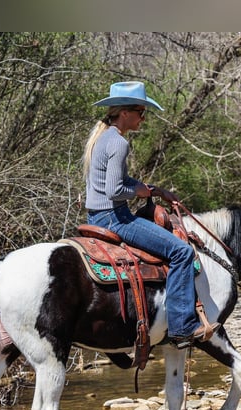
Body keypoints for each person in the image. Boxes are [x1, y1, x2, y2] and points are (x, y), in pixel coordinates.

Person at [82, 81, 220, 348]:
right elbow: (115, 190)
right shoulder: (119, 143)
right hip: (115, 217)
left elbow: (120, 180)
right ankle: (182, 327)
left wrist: (155, 190)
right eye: (140, 112)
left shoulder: (103, 137)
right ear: (125, 113)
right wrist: (144, 193)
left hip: (96, 216)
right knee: (182, 252)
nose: (143, 118)